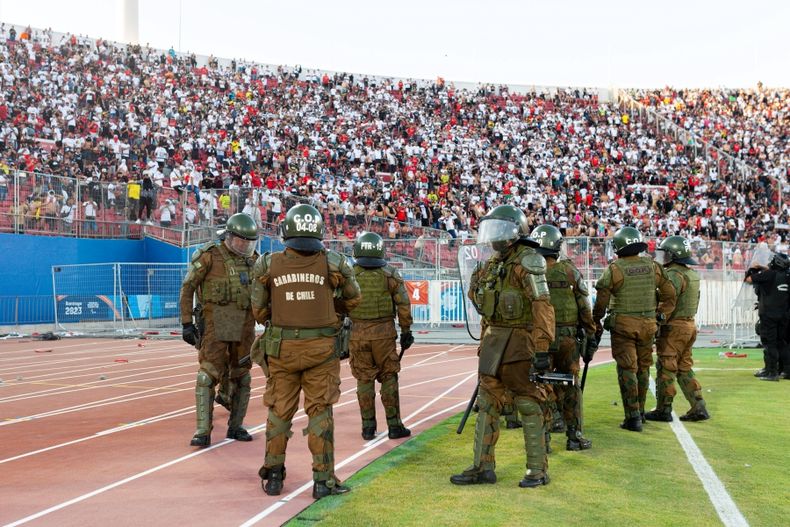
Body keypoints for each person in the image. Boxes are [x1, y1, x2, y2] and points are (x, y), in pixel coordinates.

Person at [250, 204, 362, 500]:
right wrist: (330, 311)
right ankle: (323, 481)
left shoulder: (267, 264)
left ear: (286, 230)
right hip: (321, 350)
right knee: (320, 412)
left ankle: (274, 475)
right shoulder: (334, 262)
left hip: (282, 349)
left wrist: (283, 317)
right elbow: (354, 299)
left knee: (279, 412)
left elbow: (258, 310)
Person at [450, 205, 555, 488]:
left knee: (528, 402)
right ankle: (482, 467)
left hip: (520, 343)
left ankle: (537, 470)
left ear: (514, 232)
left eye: (499, 229)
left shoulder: (528, 261)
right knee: (487, 404)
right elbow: (483, 304)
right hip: (493, 342)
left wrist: (542, 348)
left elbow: (542, 306)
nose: (494, 236)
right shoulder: (492, 264)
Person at [179, 212, 259, 447]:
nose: (245, 246)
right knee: (207, 375)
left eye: (249, 242)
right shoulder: (209, 256)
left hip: (245, 325)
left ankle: (236, 426)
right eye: (242, 241)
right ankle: (203, 430)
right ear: (230, 237)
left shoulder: (255, 260)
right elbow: (188, 288)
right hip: (217, 323)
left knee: (242, 376)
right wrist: (186, 323)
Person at [593, 226, 676, 432]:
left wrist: (595, 320)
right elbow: (670, 294)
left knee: (627, 369)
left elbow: (602, 299)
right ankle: (640, 412)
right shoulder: (653, 266)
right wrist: (660, 315)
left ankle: (632, 418)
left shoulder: (615, 269)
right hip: (648, 325)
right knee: (643, 367)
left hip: (623, 326)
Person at [531, 224, 597, 450]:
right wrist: (591, 333)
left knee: (541, 385)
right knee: (571, 385)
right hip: (567, 338)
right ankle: (574, 436)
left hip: (539, 338)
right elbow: (584, 307)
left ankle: (543, 440)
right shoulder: (569, 271)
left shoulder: (528, 272)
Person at [348, 231, 414, 440]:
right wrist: (406, 331)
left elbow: (339, 303)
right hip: (384, 335)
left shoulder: (350, 275)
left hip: (358, 334)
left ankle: (368, 427)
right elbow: (403, 304)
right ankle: (394, 425)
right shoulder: (390, 273)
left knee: (364, 380)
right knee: (389, 378)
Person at [645, 236, 710, 422]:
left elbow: (668, 301)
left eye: (665, 253)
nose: (663, 257)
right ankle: (698, 405)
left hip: (674, 327)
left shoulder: (674, 274)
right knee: (684, 367)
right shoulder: (692, 274)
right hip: (689, 325)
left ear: (673, 255)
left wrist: (657, 321)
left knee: (666, 367)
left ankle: (663, 409)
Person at [746, 252, 790, 381]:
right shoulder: (787, 275)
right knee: (783, 343)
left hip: (769, 314)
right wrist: (762, 267)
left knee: (770, 343)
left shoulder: (769, 275)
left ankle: (772, 372)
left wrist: (753, 268)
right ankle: (786, 371)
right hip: (784, 315)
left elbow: (749, 279)